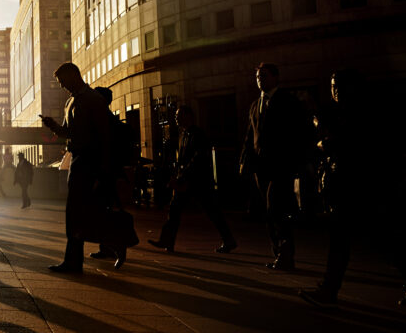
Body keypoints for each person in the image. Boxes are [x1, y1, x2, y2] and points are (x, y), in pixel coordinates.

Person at [299, 71, 406, 308]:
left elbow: (359, 146)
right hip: (350, 186)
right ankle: (329, 289)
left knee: (380, 239)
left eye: (338, 86)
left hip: (364, 187)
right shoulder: (343, 112)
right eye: (332, 85)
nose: (334, 90)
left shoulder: (363, 112)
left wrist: (329, 142)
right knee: (344, 239)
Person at [41, 63, 113, 273]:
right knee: (74, 212)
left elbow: (105, 136)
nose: (62, 86)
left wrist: (104, 169)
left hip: (89, 160)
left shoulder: (93, 100)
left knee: (78, 212)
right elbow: (68, 132)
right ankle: (73, 260)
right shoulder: (71, 101)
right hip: (78, 159)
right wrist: (53, 126)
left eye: (63, 81)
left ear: (74, 76)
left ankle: (74, 261)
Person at [239, 62, 308, 271]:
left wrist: (296, 161)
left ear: (276, 78)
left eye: (265, 76)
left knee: (276, 208)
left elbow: (298, 131)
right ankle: (280, 254)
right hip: (262, 168)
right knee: (270, 212)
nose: (261, 80)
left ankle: (285, 254)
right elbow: (250, 137)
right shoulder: (254, 105)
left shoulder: (287, 101)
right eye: (258, 77)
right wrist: (244, 161)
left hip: (281, 166)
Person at [148, 106, 236, 254]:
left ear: (188, 116)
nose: (176, 118)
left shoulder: (197, 134)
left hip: (198, 182)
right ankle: (167, 241)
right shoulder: (184, 135)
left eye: (179, 115)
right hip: (186, 181)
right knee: (175, 210)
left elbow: (198, 158)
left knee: (212, 212)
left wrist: (183, 176)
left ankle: (229, 240)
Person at [88, 86, 135, 268]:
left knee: (105, 211)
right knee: (105, 210)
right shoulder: (107, 119)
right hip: (108, 172)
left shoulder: (106, 121)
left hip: (106, 173)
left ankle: (117, 247)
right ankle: (107, 247)